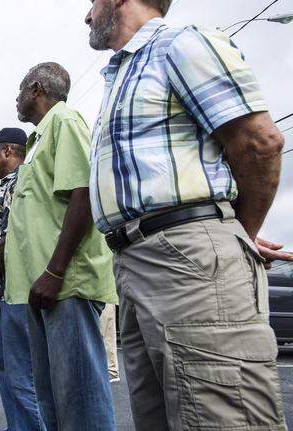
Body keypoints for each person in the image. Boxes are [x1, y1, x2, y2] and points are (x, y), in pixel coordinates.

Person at [85, 0, 289, 429]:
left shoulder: (180, 44)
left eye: (92, 2)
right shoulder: (122, 74)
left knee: (221, 416)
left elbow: (259, 144)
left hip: (186, 259)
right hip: (133, 262)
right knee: (160, 417)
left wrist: (239, 235)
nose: (87, 15)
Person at [5, 62, 118, 431]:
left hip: (64, 283)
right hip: (40, 288)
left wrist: (55, 271)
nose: (16, 100)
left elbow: (83, 193)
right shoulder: (36, 140)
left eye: (20, 91)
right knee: (52, 397)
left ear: (36, 88)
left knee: (80, 398)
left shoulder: (64, 121)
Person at [0, 128, 45, 431]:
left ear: (7, 151)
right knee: (5, 372)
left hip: (17, 291)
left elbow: (11, 237)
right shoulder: (4, 186)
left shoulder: (21, 181)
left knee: (22, 376)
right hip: (1, 293)